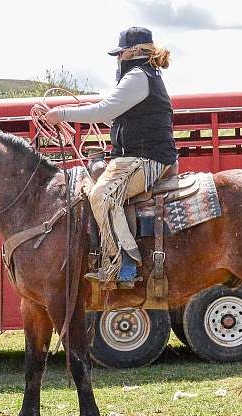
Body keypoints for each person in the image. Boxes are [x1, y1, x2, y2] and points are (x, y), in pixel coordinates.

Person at [44, 26, 177, 287]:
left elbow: (105, 111)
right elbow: (117, 115)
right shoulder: (145, 75)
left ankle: (124, 261)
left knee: (101, 195)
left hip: (147, 159)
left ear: (134, 51)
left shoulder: (138, 76)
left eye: (121, 52)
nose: (119, 57)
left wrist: (61, 114)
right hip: (142, 155)